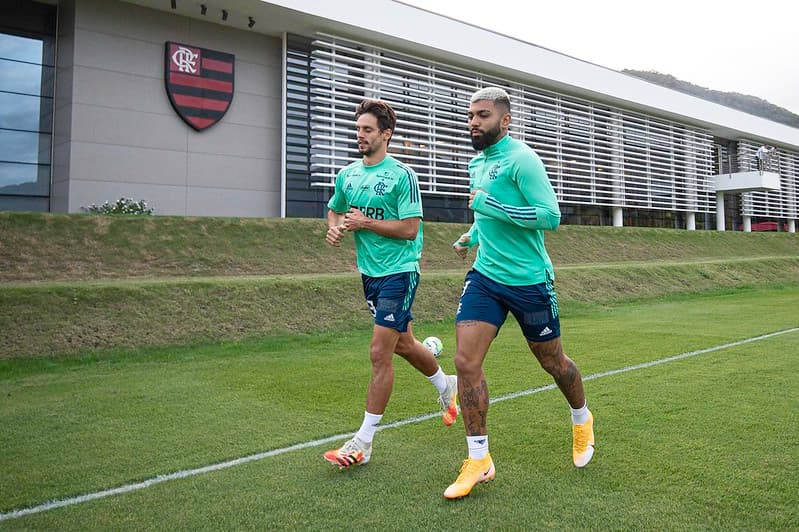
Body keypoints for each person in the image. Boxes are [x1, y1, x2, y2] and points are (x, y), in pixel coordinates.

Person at [443, 87, 594, 499]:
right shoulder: (476, 163)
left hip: (529, 280)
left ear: (505, 120)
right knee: (464, 360)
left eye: (483, 115)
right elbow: (485, 215)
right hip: (486, 277)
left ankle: (581, 419)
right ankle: (479, 459)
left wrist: (491, 209)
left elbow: (550, 217)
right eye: (471, 115)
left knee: (553, 362)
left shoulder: (523, 159)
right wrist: (471, 235)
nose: (473, 122)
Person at [323, 99, 458, 469]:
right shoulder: (348, 174)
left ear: (386, 134)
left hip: (401, 270)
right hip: (370, 274)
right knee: (404, 344)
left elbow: (410, 228)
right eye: (358, 129)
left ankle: (363, 442)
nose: (360, 135)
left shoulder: (402, 176)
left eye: (367, 130)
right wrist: (334, 226)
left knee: (379, 352)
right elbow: (335, 207)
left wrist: (365, 223)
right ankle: (447, 385)